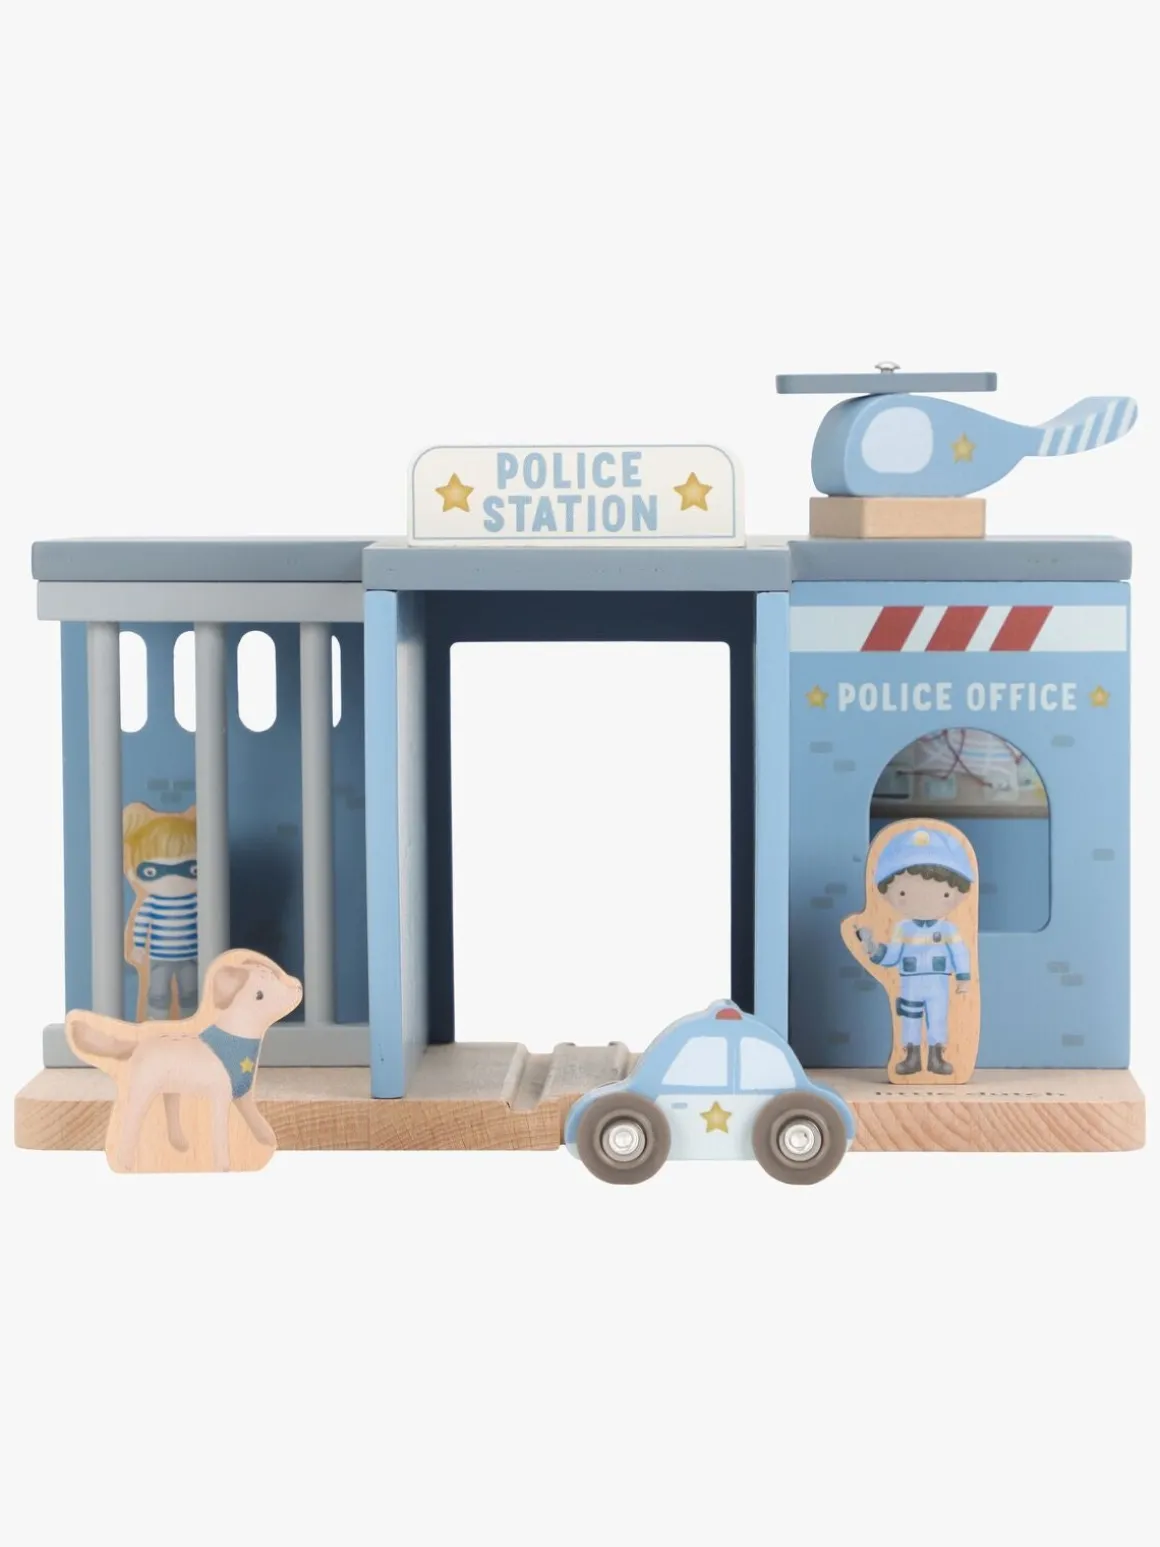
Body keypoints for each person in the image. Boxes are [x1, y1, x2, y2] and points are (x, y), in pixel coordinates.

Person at [856, 826, 974, 1076]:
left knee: (938, 1017)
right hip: (910, 981)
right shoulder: (902, 929)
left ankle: (936, 1057)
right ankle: (911, 1057)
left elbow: (960, 953)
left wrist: (963, 977)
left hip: (938, 980)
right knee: (909, 1018)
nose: (925, 900)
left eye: (943, 893)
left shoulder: (949, 930)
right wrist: (873, 949)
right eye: (903, 892)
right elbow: (892, 956)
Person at [122, 804, 199, 1019]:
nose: (172, 877)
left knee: (191, 991)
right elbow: (141, 924)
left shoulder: (195, 902)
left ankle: (191, 1021)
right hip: (159, 956)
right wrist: (138, 947)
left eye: (189, 869)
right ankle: (157, 1023)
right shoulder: (152, 903)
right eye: (153, 871)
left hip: (190, 956)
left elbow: (207, 923)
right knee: (158, 992)